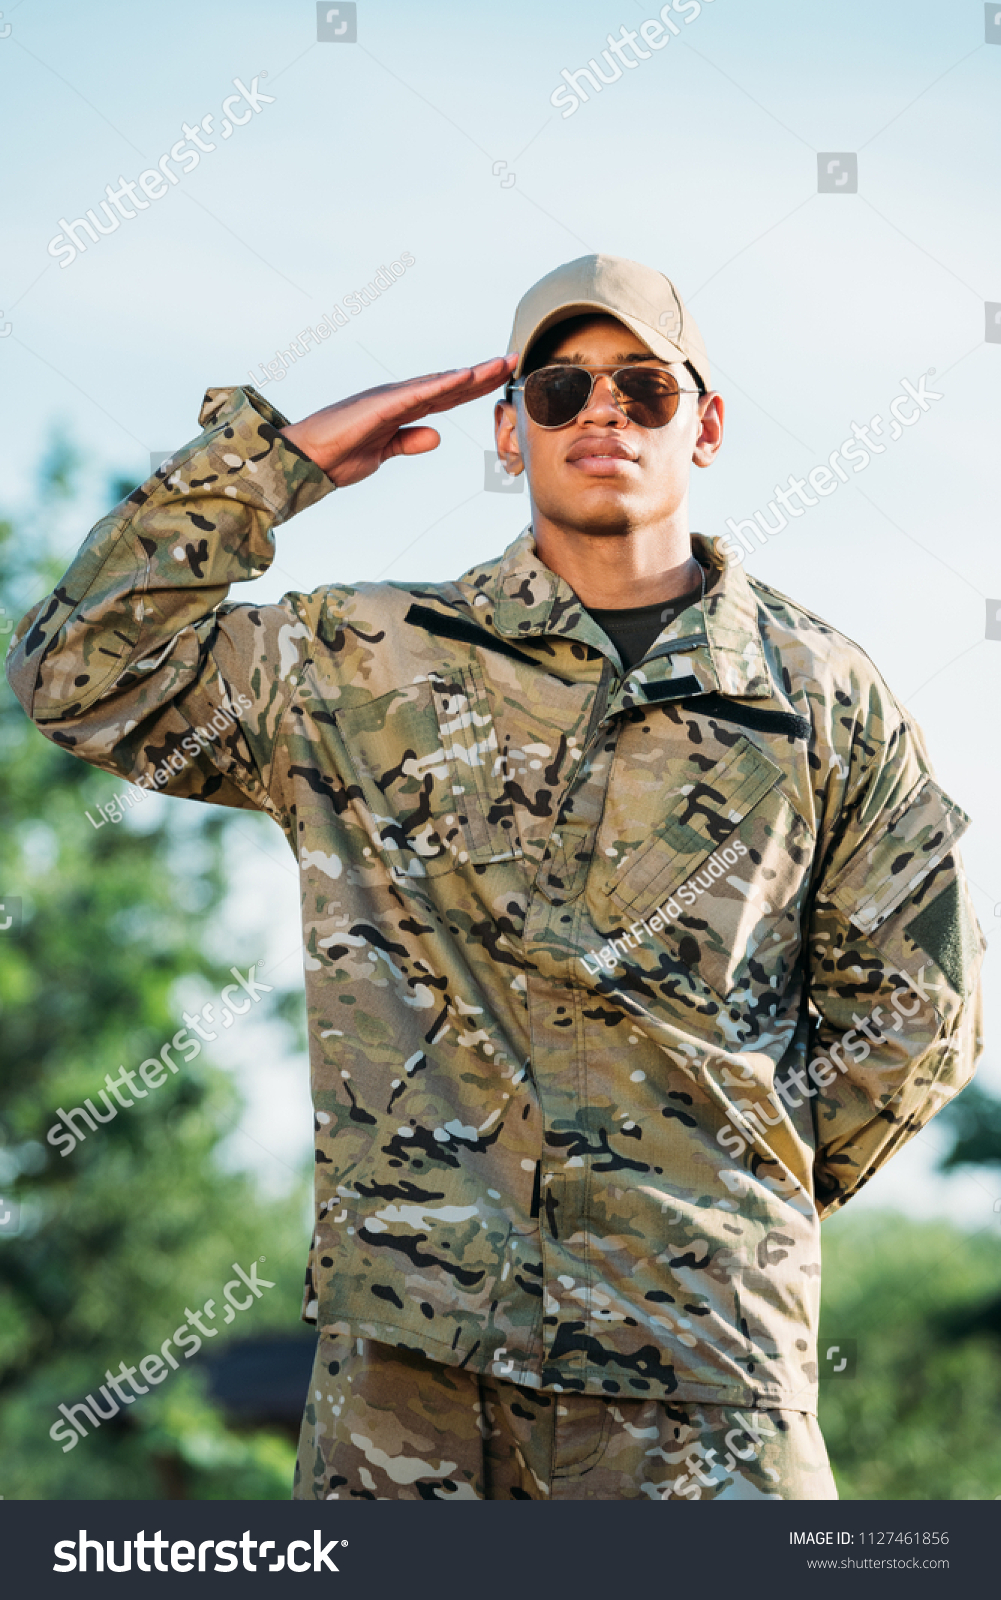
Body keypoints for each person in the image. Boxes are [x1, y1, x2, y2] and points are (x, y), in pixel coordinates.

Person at [7, 254, 983, 1501]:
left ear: (708, 422)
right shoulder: (360, 661)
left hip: (707, 1371)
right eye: (559, 388)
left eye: (643, 386)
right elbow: (77, 673)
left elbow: (919, 1011)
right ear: (507, 429)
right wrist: (280, 461)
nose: (603, 416)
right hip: (410, 1378)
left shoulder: (817, 694)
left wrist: (723, 1190)